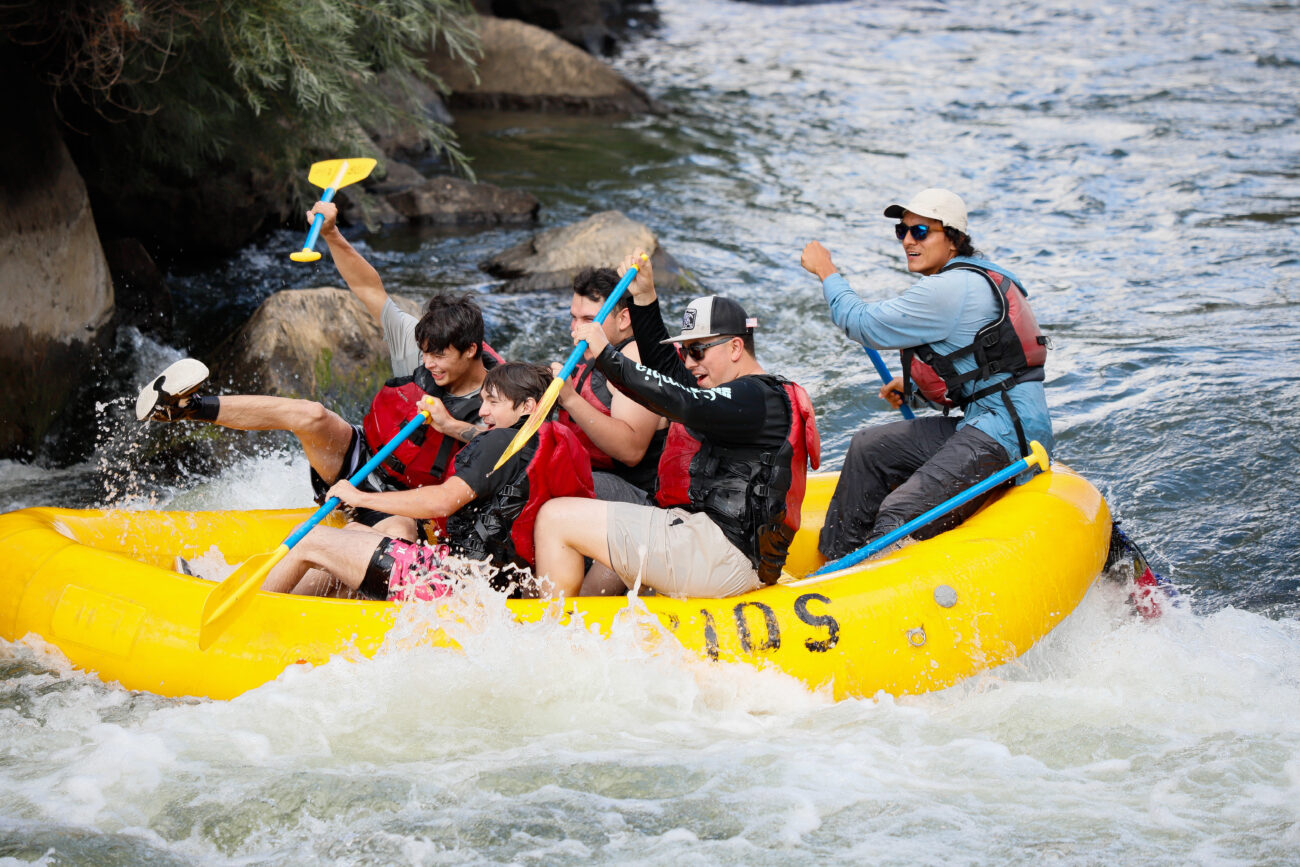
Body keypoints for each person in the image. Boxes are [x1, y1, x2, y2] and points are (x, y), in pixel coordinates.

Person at [533, 252, 820, 599]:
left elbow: (681, 401)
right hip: (719, 551)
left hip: (718, 554)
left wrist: (608, 355)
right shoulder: (730, 395)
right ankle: (586, 626)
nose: (690, 361)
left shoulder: (756, 397)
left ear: (735, 347)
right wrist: (645, 298)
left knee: (554, 518)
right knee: (609, 563)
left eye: (698, 351)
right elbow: (669, 373)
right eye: (686, 351)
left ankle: (549, 633)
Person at [800, 187, 1053, 561]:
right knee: (869, 448)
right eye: (902, 231)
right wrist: (915, 390)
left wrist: (827, 271)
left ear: (953, 240)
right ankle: (836, 562)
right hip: (985, 420)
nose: (907, 241)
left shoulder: (953, 287)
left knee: (899, 513)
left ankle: (876, 594)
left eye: (920, 232)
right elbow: (980, 372)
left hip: (1007, 435)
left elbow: (862, 323)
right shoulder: (963, 281)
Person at [135, 292, 494, 541]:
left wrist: (451, 425)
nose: (428, 364)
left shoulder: (501, 396)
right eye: (425, 354)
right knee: (310, 414)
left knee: (396, 536)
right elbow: (367, 285)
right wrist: (333, 235)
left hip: (401, 500)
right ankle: (187, 407)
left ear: (471, 350)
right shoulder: (431, 355)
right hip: (363, 459)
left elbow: (513, 444)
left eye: (439, 356)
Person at [260, 362, 595, 599]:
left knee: (309, 539)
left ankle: (254, 613)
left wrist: (360, 497)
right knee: (352, 532)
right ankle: (304, 607)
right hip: (500, 588)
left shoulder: (500, 443)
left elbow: (443, 501)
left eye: (493, 402)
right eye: (482, 401)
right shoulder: (547, 443)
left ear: (528, 406)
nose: (482, 412)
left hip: (451, 587)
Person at [553, 266, 668, 505]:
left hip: (641, 497)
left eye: (588, 319)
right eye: (573, 318)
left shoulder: (636, 358)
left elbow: (631, 450)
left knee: (551, 480)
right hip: (603, 480)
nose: (575, 328)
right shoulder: (597, 355)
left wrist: (571, 400)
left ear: (623, 319)